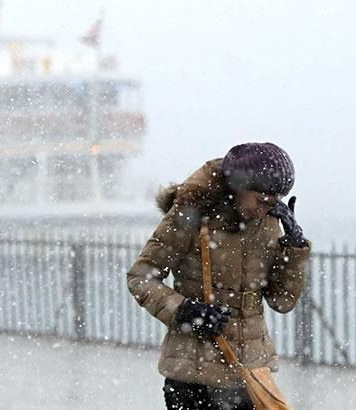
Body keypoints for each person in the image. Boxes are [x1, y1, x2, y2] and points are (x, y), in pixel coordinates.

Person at [126, 142, 310, 409]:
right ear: (238, 186)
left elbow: (283, 301)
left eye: (272, 204)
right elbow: (140, 277)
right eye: (260, 201)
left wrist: (294, 248)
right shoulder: (191, 216)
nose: (263, 210)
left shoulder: (268, 221)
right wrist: (184, 311)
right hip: (192, 376)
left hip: (251, 374)